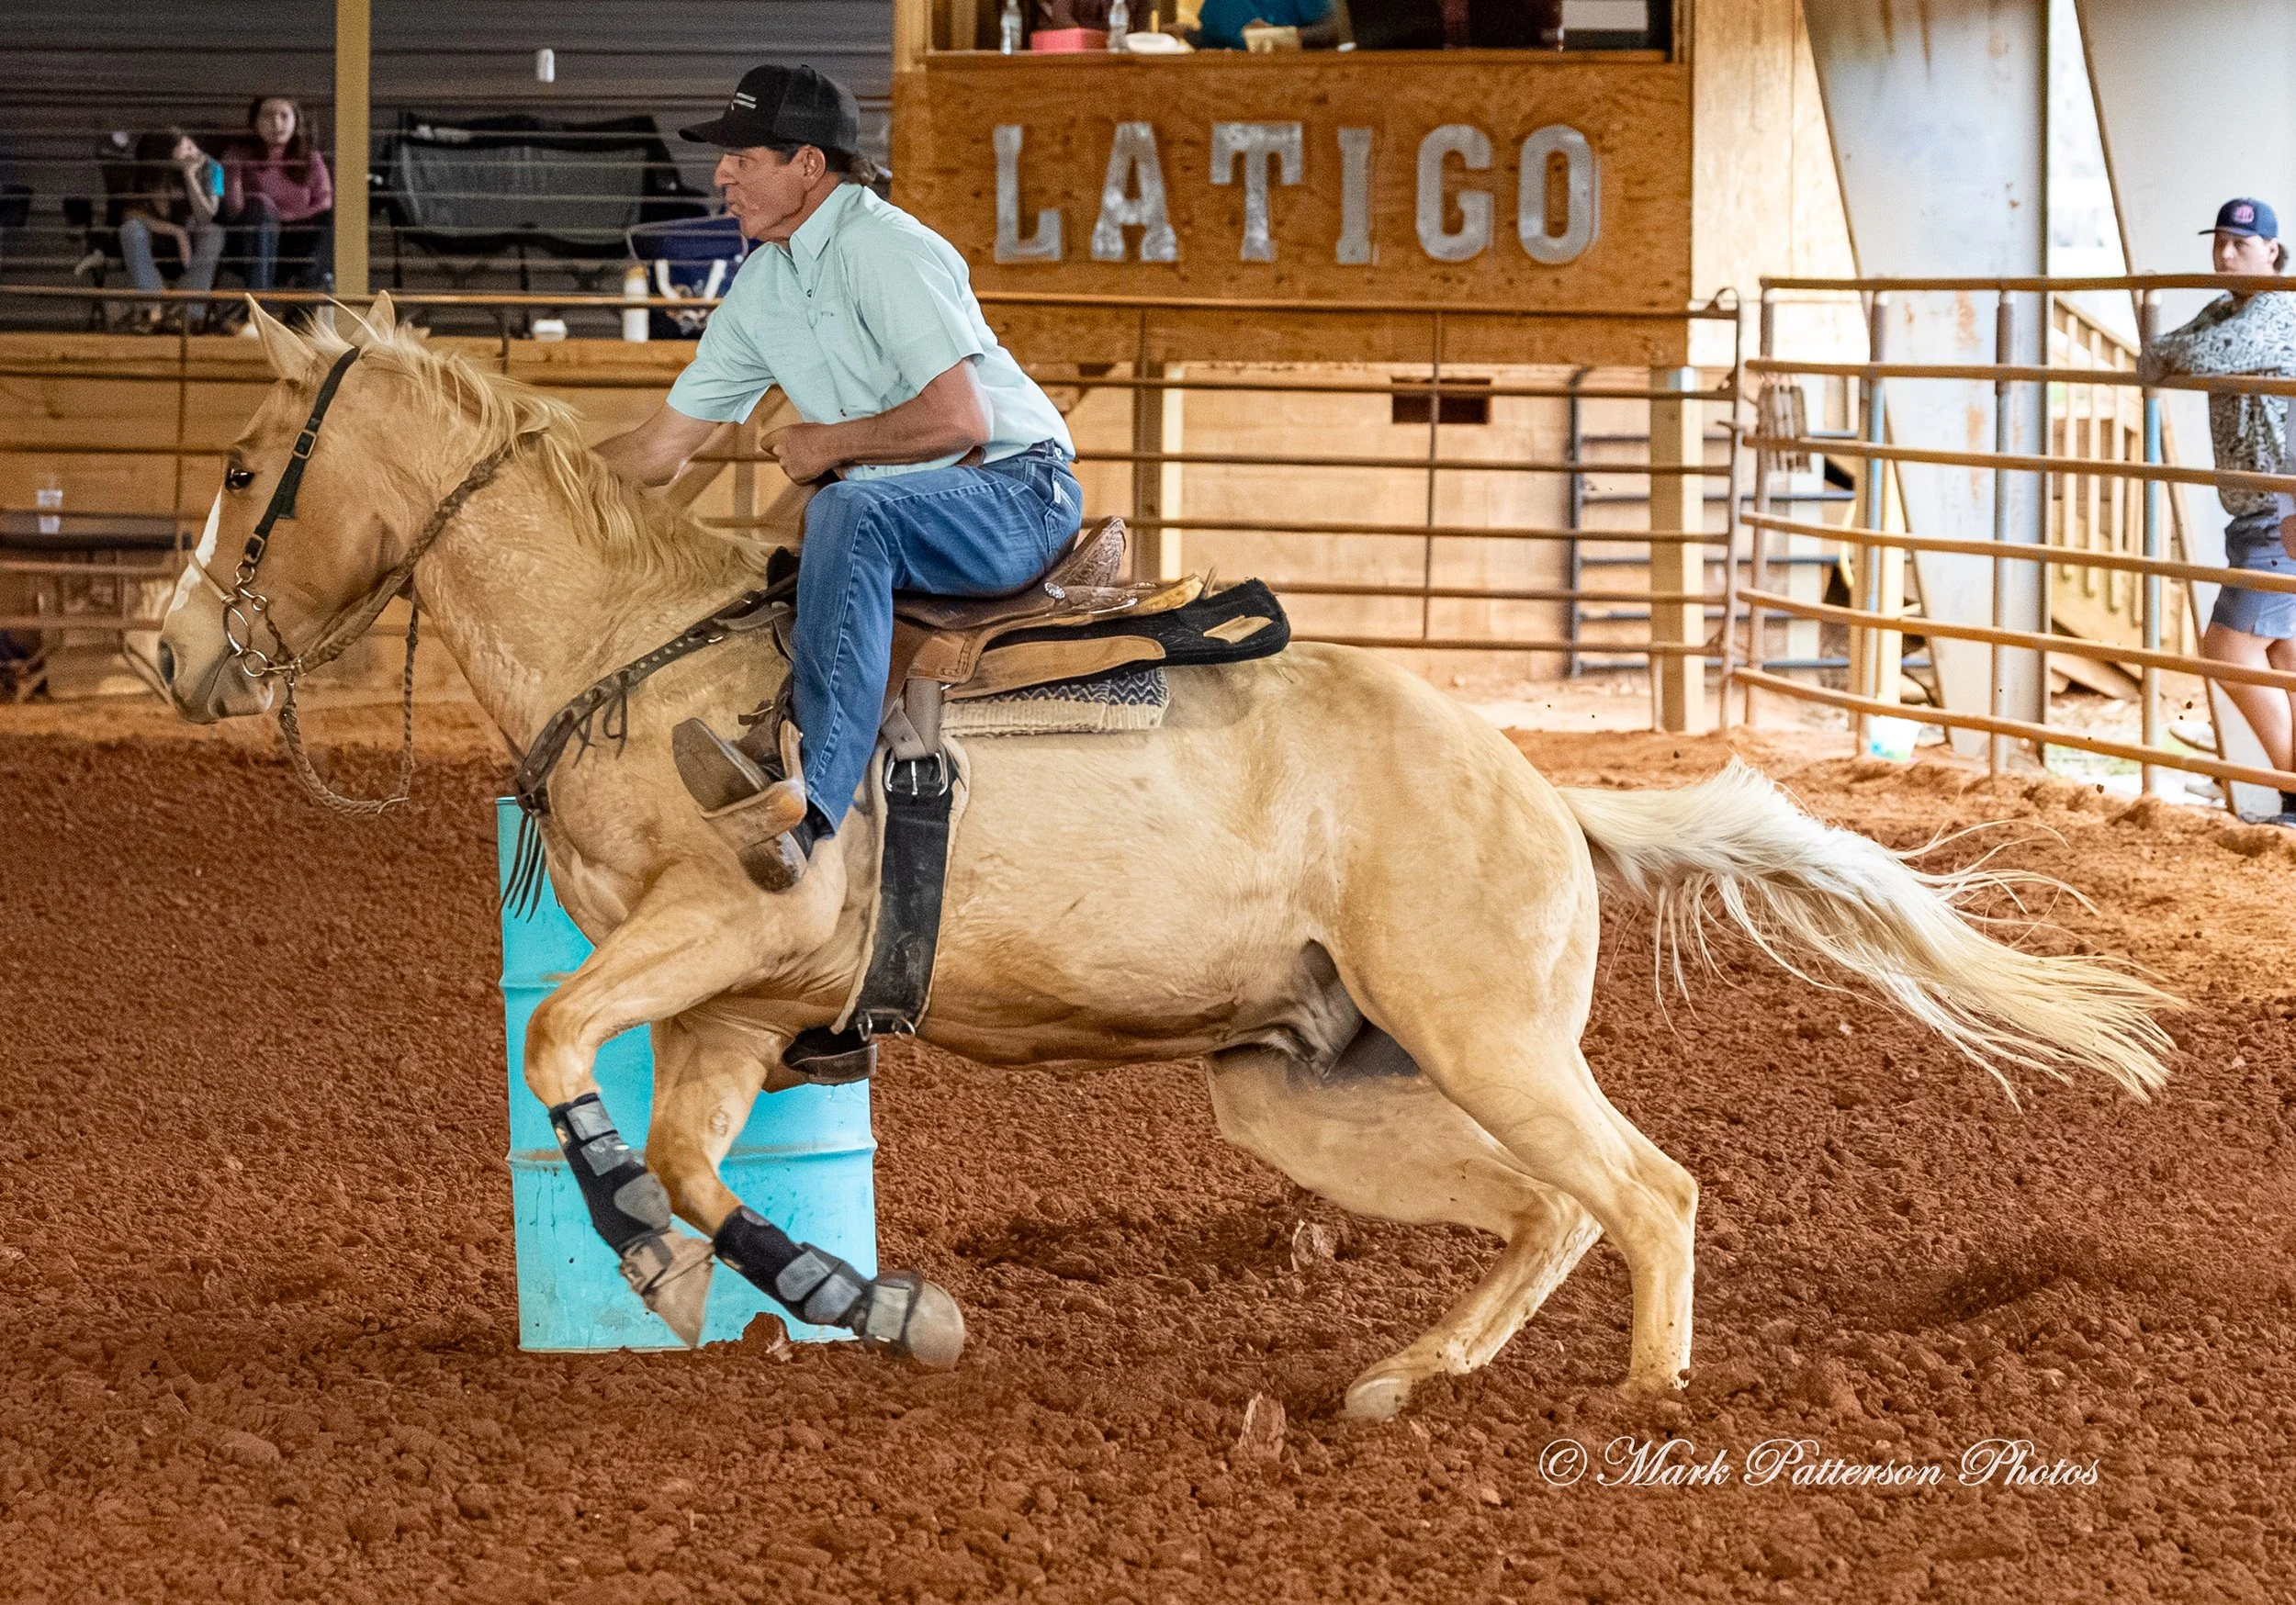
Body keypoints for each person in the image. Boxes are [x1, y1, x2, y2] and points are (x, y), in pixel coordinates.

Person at [593, 65, 1081, 890]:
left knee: (849, 513)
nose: (721, 175)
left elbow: (963, 420)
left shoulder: (885, 249)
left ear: (809, 165)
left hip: (1016, 493)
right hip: (925, 506)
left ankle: (809, 811)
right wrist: (527, 476)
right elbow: (658, 450)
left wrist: (826, 445)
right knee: (813, 543)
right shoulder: (762, 286)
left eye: (743, 158)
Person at [2139, 197, 2296, 824]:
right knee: (2284, 654)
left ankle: (2294, 790)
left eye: (2241, 244)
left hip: (2279, 508)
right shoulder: (2226, 310)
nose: (2226, 255)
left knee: (2226, 649)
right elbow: (2154, 355)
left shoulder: (2279, 311)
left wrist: (2180, 351)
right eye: (2220, 242)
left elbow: (2196, 356)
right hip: (2260, 509)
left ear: (2272, 251)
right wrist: (2178, 350)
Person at [222, 96, 333, 303]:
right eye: (268, 116)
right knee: (259, 205)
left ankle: (309, 304)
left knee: (331, 220)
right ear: (255, 123)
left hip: (298, 239)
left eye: (284, 116)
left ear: (296, 122)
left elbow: (325, 203)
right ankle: (262, 307)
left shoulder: (310, 158)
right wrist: (233, 172)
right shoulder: (240, 156)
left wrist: (287, 217)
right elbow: (234, 210)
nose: (276, 123)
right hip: (254, 240)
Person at [118, 129, 224, 331]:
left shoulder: (211, 168)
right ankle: (153, 308)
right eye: (185, 149)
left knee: (213, 233)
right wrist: (177, 232)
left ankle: (187, 312)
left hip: (192, 245)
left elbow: (205, 217)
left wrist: (190, 176)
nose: (194, 153)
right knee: (131, 229)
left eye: (192, 145)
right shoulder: (145, 176)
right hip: (154, 242)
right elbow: (130, 213)